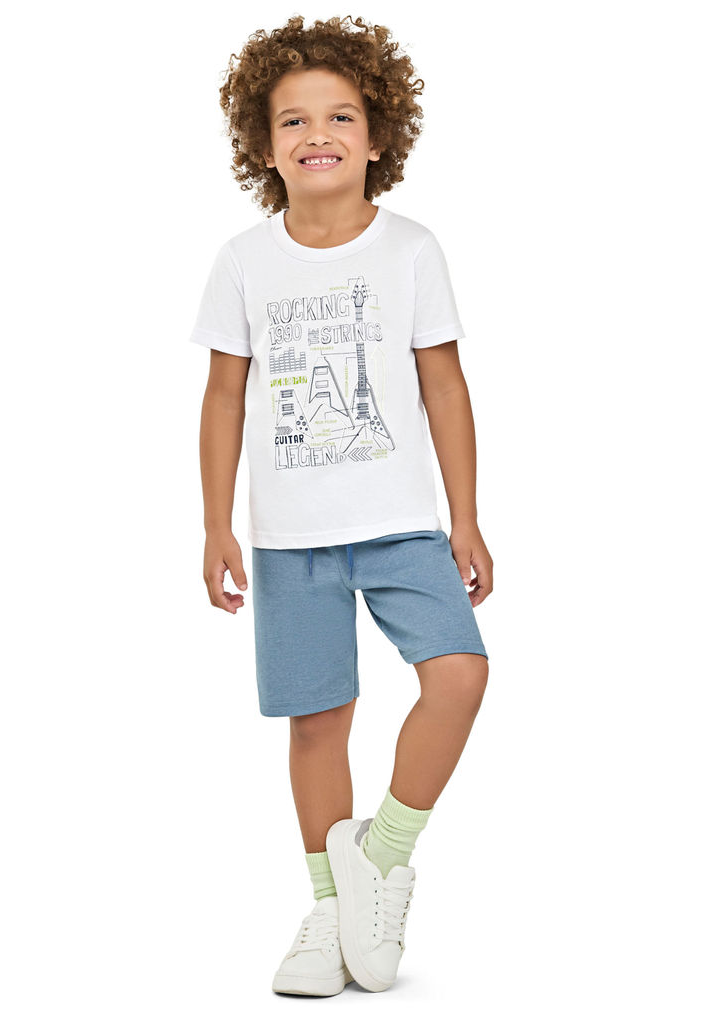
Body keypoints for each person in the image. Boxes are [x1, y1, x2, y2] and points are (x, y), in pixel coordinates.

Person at [188, 15, 493, 996]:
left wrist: (465, 516)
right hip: (292, 540)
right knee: (317, 722)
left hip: (402, 526)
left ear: (376, 136)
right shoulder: (244, 260)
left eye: (340, 116)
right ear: (262, 143)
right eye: (292, 119)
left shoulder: (411, 250)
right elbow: (223, 396)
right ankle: (329, 910)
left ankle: (381, 857)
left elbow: (444, 385)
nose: (316, 133)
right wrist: (215, 523)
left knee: (458, 675)